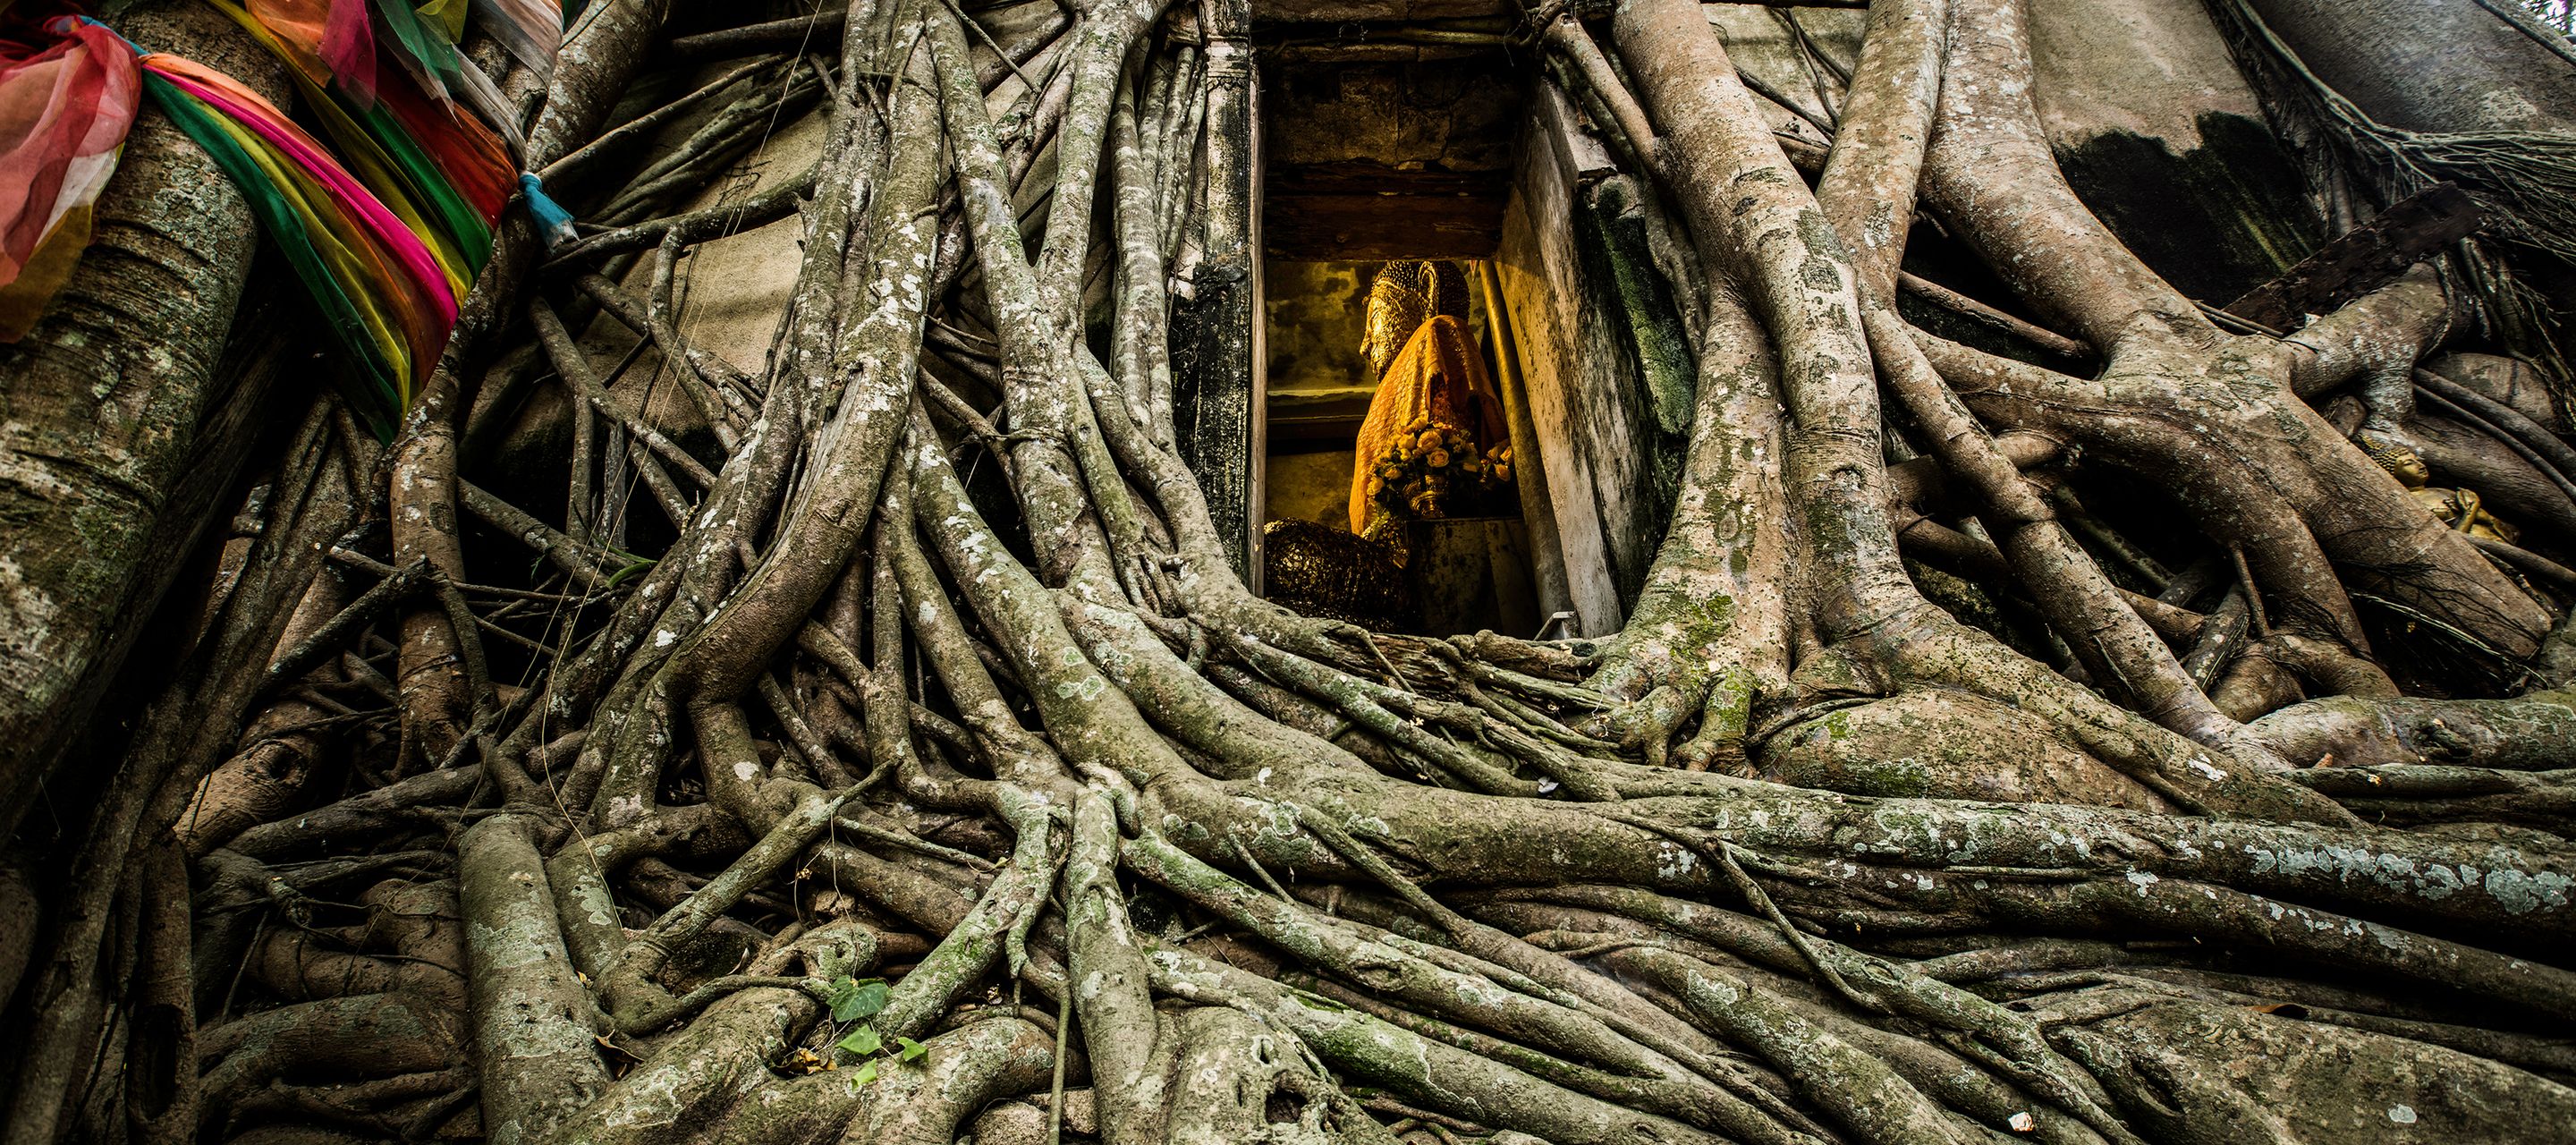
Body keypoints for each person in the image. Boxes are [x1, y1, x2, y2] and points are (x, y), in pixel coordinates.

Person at [1347, 260, 1513, 538]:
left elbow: (1449, 438)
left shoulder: (1437, 333)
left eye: (1374, 317)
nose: (1365, 345)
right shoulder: (1393, 385)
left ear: (1429, 291)